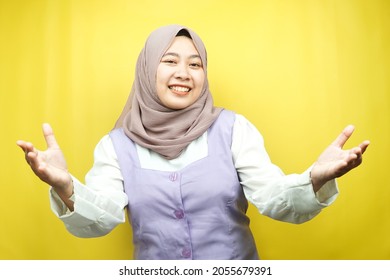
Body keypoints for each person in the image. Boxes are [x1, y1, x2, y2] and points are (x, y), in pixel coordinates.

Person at [17, 24, 370, 260]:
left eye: (195, 64)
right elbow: (102, 219)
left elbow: (274, 200)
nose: (184, 73)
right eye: (169, 61)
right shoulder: (116, 145)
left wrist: (316, 178)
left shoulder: (234, 129)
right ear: (146, 70)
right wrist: (67, 188)